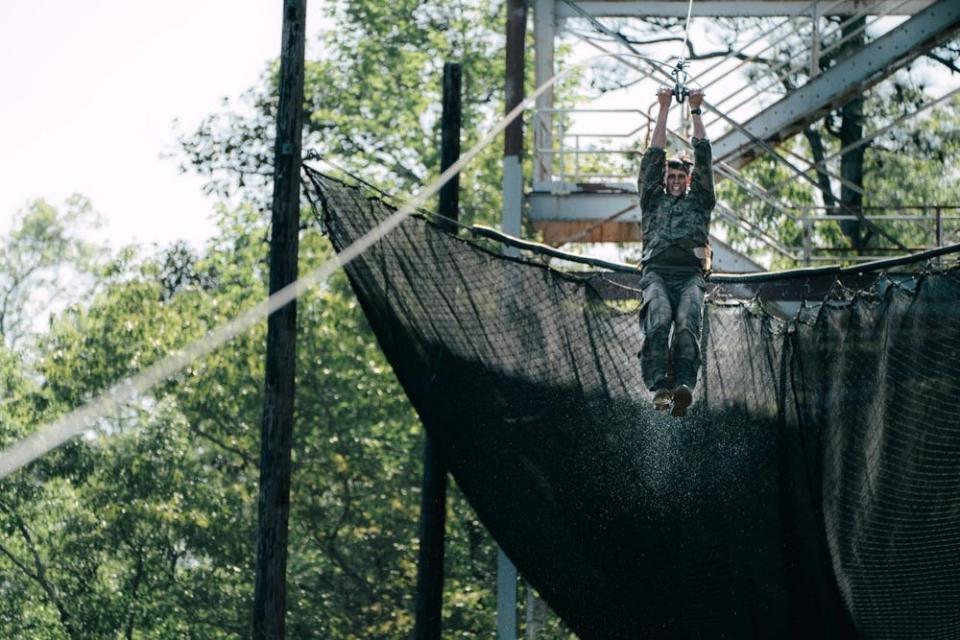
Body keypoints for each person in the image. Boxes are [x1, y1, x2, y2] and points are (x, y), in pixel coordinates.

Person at [637, 86, 715, 417]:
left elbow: (704, 153)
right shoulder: (651, 199)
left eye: (680, 175)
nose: (674, 180)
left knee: (685, 323)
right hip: (656, 271)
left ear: (689, 179)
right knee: (658, 320)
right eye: (670, 175)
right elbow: (653, 155)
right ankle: (658, 386)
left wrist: (695, 111)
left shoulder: (700, 200)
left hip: (690, 275)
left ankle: (684, 386)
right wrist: (664, 108)